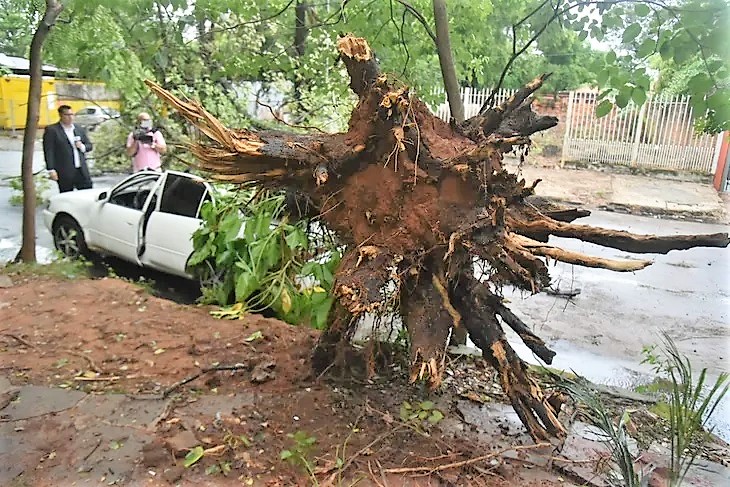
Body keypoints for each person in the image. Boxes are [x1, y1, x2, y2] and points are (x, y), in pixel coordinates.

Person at [43, 105, 94, 193]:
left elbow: (89, 145)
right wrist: (51, 169)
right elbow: (49, 151)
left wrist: (82, 146)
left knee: (87, 193)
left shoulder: (78, 129)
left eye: (72, 114)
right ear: (61, 115)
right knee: (67, 195)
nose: (70, 117)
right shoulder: (52, 130)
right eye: (67, 115)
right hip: (64, 170)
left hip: (81, 170)